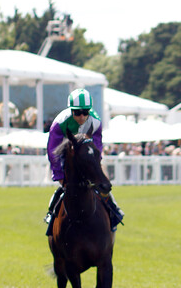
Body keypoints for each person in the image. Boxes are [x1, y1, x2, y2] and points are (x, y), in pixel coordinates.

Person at [44, 88, 124, 235]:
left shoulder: (96, 121)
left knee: (102, 183)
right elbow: (52, 151)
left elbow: (97, 147)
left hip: (87, 154)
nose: (81, 116)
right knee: (66, 186)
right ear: (71, 110)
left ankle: (114, 211)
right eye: (77, 112)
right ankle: (51, 212)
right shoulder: (59, 123)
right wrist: (59, 176)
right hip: (65, 153)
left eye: (85, 112)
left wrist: (95, 167)